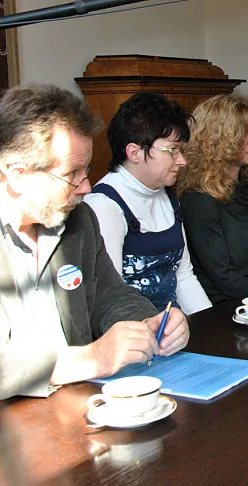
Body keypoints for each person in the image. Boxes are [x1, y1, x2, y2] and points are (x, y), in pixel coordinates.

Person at [0, 84, 189, 400]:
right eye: (71, 173)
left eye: (86, 169)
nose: (86, 186)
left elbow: (110, 295)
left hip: (74, 407)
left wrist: (150, 323)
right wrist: (89, 359)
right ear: (17, 174)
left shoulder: (78, 220)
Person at [84, 92, 211, 315]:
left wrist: (208, 325)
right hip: (134, 332)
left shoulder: (167, 195)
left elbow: (183, 276)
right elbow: (110, 297)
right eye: (172, 150)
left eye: (181, 150)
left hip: (174, 327)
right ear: (134, 152)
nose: (182, 161)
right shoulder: (104, 205)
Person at [178, 94, 248, 304]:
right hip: (222, 305)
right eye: (242, 133)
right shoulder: (199, 199)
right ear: (217, 140)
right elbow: (222, 275)